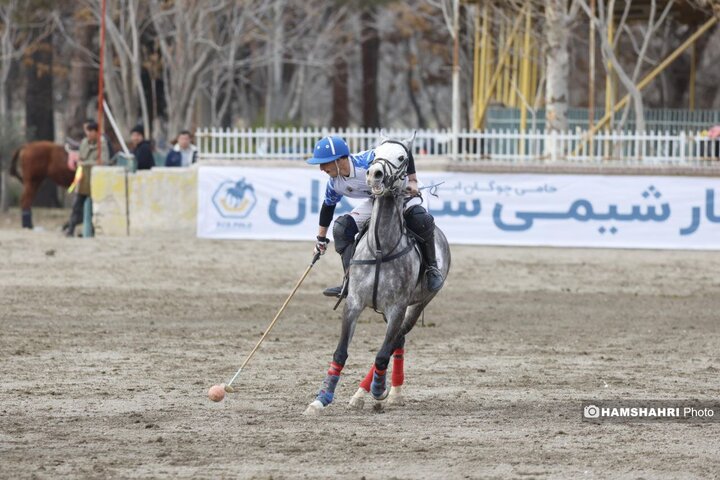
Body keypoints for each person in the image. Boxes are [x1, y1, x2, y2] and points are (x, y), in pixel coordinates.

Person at [307, 135, 444, 297]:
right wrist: (321, 240)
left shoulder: (368, 160)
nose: (321, 168)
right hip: (378, 199)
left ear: (339, 159)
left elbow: (403, 149)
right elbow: (327, 207)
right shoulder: (334, 183)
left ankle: (432, 268)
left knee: (420, 220)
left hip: (403, 192)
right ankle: (350, 282)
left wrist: (413, 180)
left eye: (324, 163)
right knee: (341, 228)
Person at [64, 120, 110, 237]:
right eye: (88, 131)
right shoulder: (84, 142)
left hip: (96, 179)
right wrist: (84, 163)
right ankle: (71, 229)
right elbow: (81, 157)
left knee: (95, 208)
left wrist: (86, 163)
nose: (89, 134)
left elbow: (103, 161)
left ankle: (92, 230)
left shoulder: (102, 144)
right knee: (77, 206)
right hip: (83, 178)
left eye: (92, 131)